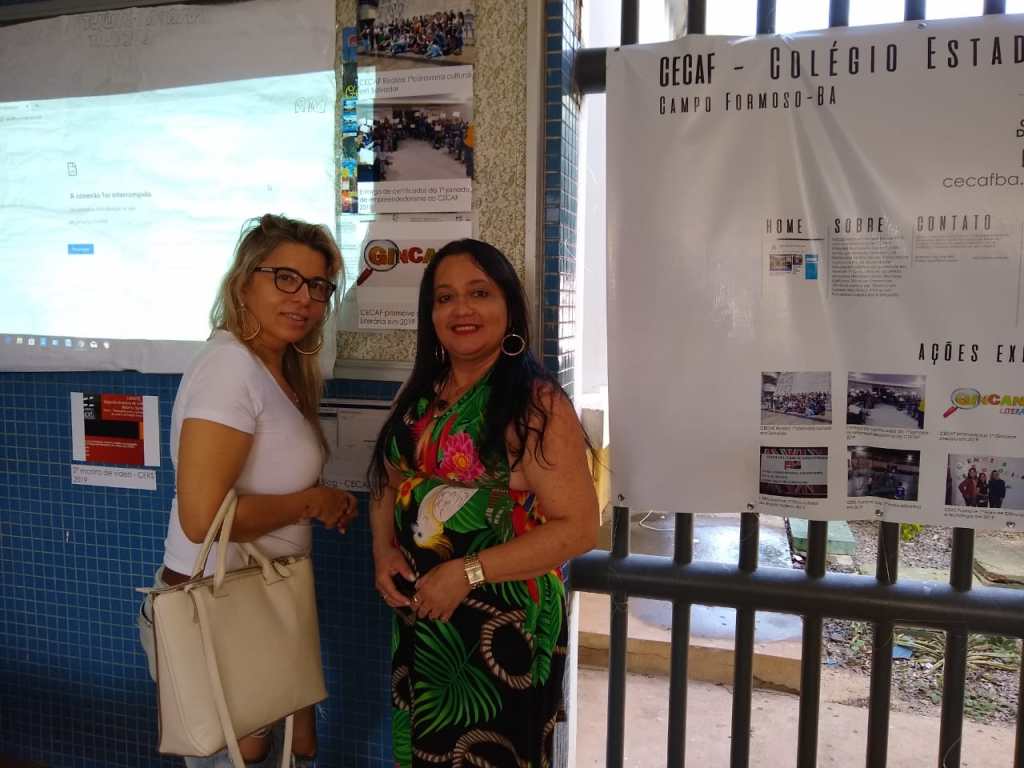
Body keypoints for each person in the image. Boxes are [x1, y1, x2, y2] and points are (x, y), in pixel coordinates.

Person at [368, 239, 599, 768]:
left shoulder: (535, 404)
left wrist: (466, 572)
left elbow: (579, 528)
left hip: (501, 630)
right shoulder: (422, 392)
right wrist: (384, 550)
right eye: (445, 297)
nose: (461, 309)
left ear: (508, 306)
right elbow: (388, 478)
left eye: (479, 293)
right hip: (426, 622)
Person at [138, 214, 358, 768]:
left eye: (318, 285)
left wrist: (316, 499)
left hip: (262, 597)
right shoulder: (229, 369)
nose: (304, 298)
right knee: (241, 755)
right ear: (243, 283)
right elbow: (202, 519)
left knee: (281, 750)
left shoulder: (272, 369)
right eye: (285, 278)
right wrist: (312, 502)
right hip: (221, 604)